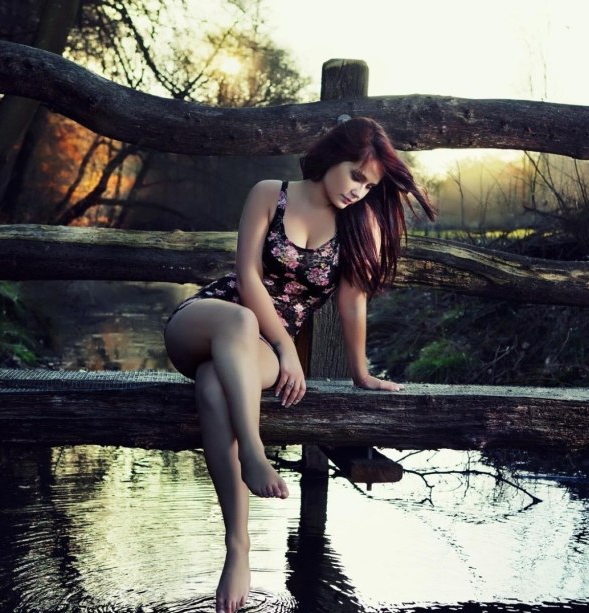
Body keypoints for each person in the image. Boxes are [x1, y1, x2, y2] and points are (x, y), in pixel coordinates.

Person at [162, 116, 436, 612]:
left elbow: (353, 304)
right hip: (208, 320)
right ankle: (254, 451)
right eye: (356, 175)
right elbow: (246, 275)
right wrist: (289, 350)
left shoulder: (361, 225)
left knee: (211, 386)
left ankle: (237, 550)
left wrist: (361, 373)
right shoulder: (271, 192)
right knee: (240, 324)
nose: (360, 190)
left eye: (370, 185)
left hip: (255, 356)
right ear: (334, 156)